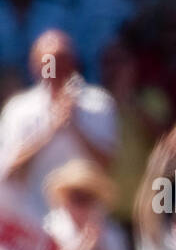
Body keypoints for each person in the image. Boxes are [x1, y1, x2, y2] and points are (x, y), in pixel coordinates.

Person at [0, 31, 117, 222]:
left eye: (62, 60)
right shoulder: (18, 109)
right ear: (34, 65)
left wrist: (74, 125)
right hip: (35, 219)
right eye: (48, 61)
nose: (55, 67)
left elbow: (107, 164)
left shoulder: (99, 103)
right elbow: (9, 170)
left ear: (74, 62)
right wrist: (50, 129)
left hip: (86, 222)